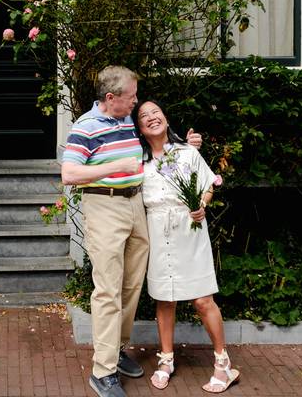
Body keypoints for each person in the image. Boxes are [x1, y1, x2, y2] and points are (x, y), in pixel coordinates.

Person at [61, 66, 201, 397]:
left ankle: (116, 349)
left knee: (132, 284)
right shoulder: (86, 127)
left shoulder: (126, 118)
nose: (136, 102)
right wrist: (113, 167)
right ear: (111, 99)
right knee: (108, 289)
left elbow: (158, 138)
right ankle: (103, 371)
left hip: (137, 204)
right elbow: (68, 173)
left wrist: (187, 142)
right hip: (105, 206)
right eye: (131, 97)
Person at [131, 99, 240, 394]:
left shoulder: (187, 152)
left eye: (157, 112)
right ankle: (166, 359)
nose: (152, 117)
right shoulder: (138, 160)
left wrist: (201, 206)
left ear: (166, 118)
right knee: (164, 300)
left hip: (188, 230)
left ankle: (223, 363)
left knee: (203, 300)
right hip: (156, 231)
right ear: (139, 127)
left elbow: (207, 186)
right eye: (144, 115)